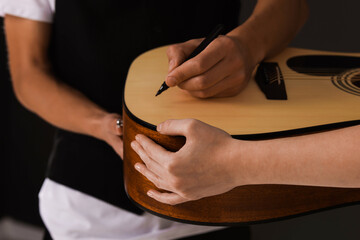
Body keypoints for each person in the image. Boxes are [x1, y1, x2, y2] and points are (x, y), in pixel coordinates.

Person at [1, 0, 308, 239]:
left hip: (220, 205)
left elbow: (290, 7)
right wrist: (103, 125)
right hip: (89, 217)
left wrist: (248, 45)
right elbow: (29, 74)